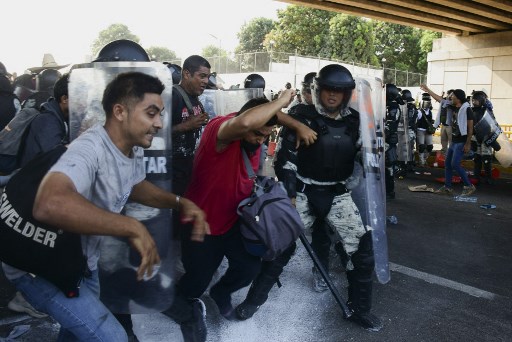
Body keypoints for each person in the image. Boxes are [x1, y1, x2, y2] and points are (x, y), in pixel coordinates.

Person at [1, 71, 208, 341]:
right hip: (41, 269)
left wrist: (180, 203)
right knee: (113, 337)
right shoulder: (88, 149)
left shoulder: (129, 148)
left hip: (81, 262)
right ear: (120, 111)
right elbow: (49, 203)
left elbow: (134, 185)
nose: (159, 123)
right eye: (151, 113)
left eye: (160, 114)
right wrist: (130, 226)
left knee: (76, 332)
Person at [238, 64, 383, 332]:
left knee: (361, 253)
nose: (332, 96)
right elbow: (285, 159)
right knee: (280, 248)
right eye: (327, 90)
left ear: (346, 93)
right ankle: (253, 301)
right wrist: (290, 194)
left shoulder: (356, 122)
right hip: (303, 192)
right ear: (318, 90)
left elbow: (367, 157)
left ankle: (360, 309)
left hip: (338, 193)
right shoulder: (300, 117)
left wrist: (374, 152)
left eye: (338, 92)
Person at [19, 73, 69, 167]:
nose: (84, 102)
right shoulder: (47, 121)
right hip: (35, 179)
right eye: (79, 97)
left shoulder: (61, 117)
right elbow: (57, 160)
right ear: (64, 99)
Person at [435, 89, 476, 196]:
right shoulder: (454, 106)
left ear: (458, 98)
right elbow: (440, 100)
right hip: (454, 141)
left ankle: (469, 186)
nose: (450, 98)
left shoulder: (467, 109)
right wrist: (427, 90)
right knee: (447, 164)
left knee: (455, 164)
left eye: (452, 96)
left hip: (462, 141)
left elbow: (470, 128)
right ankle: (448, 187)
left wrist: (468, 143)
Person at [470, 90, 496, 185]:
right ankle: (476, 177)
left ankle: (488, 177)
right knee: (476, 158)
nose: (474, 102)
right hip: (475, 136)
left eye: (476, 100)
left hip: (486, 137)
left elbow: (493, 123)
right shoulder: (471, 110)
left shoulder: (487, 111)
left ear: (481, 100)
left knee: (486, 158)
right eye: (473, 100)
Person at [420, 84, 454, 154]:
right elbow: (439, 112)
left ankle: (451, 156)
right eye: (448, 95)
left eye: (450, 95)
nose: (448, 96)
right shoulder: (445, 102)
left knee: (451, 143)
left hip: (451, 126)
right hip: (444, 125)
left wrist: (428, 90)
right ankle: (445, 155)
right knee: (443, 142)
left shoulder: (452, 103)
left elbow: (438, 98)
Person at [384, 83, 403, 199]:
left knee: (388, 166)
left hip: (389, 140)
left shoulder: (393, 107)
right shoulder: (388, 105)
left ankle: (390, 192)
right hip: (386, 139)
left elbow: (389, 125)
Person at [415, 92, 434, 167]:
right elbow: (416, 120)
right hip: (420, 130)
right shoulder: (419, 111)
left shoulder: (430, 112)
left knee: (430, 147)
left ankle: (425, 159)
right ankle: (421, 161)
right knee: (422, 146)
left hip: (428, 131)